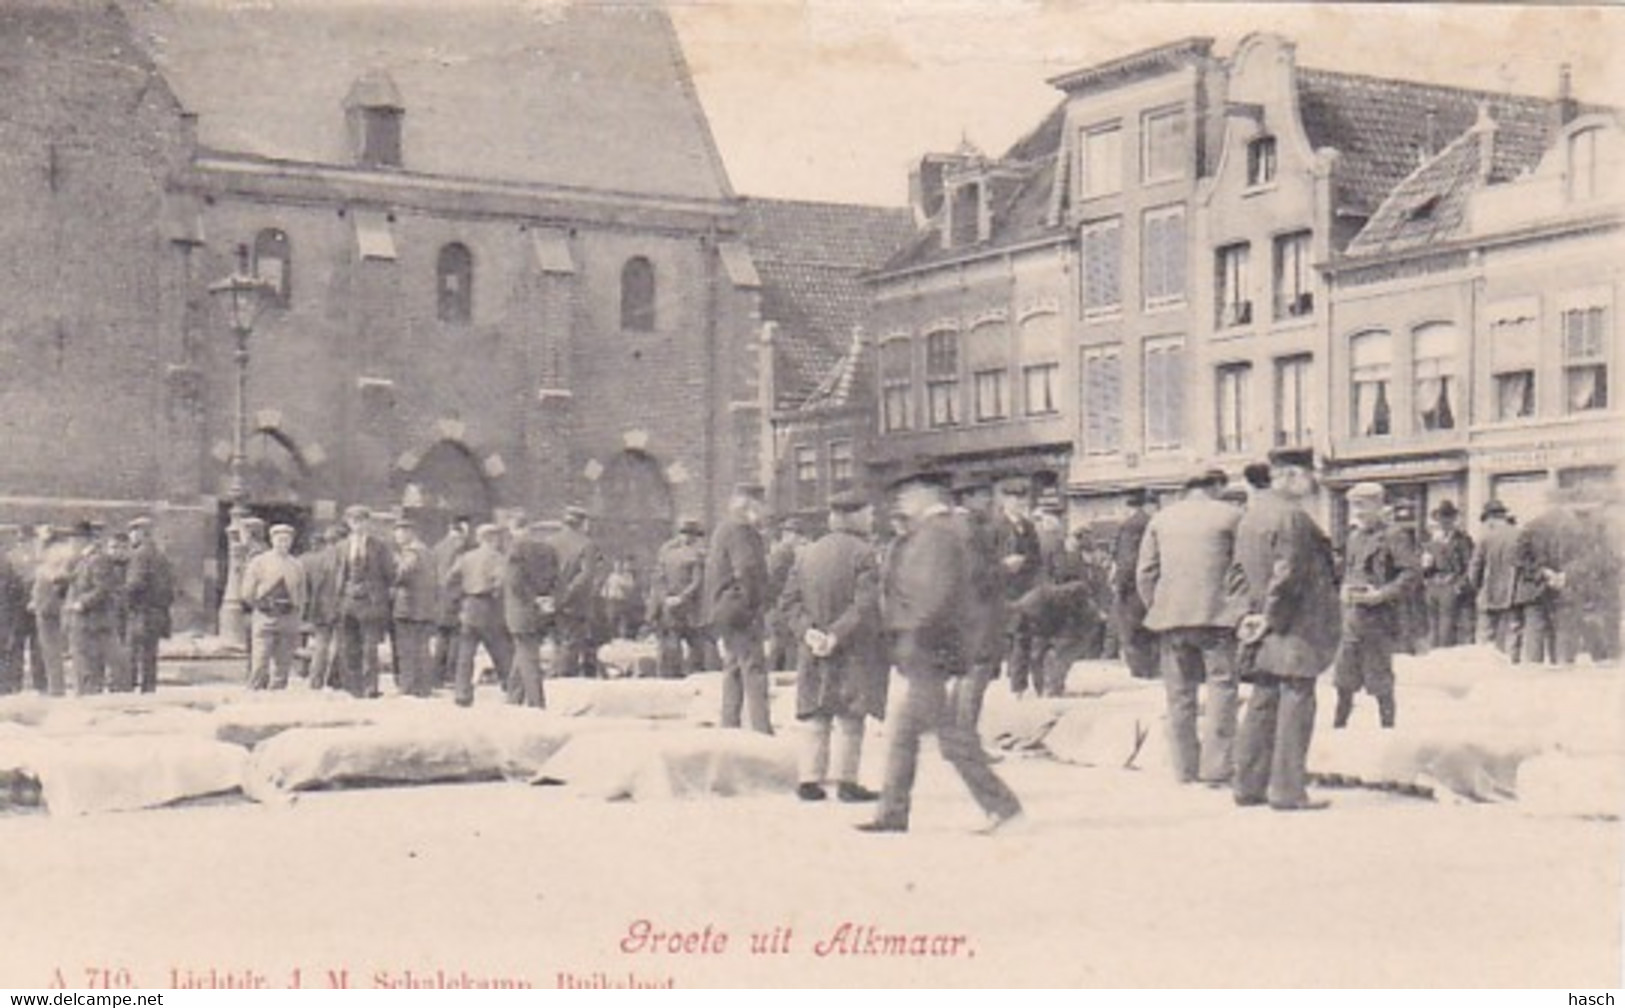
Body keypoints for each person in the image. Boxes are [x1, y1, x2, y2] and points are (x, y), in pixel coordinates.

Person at [857, 469, 1022, 835]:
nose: (901, 500)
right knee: (913, 734)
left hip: (928, 649)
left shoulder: (937, 534)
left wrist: (911, 636)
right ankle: (893, 813)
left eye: (907, 493)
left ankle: (1002, 805)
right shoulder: (935, 532)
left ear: (927, 494)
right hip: (926, 649)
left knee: (949, 738)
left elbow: (934, 597)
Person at [1230, 448, 1341, 811]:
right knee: (1296, 703)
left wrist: (1250, 615)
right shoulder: (1292, 517)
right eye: (1311, 475)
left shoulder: (1251, 516)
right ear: (1292, 475)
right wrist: (1272, 616)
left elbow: (1238, 574)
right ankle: (1288, 790)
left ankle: (1248, 785)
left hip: (1264, 627)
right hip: (1295, 627)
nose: (1314, 482)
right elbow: (1288, 573)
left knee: (1262, 702)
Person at [1137, 468, 1242, 784]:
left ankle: (1184, 769)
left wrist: (1158, 607)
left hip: (1172, 620)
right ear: (1217, 485)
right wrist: (1240, 610)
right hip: (1218, 618)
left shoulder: (1161, 519)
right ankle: (1217, 767)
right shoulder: (1233, 515)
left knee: (1179, 694)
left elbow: (1145, 572)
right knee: (1222, 690)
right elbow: (1244, 568)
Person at [779, 490, 885, 803]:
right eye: (868, 513)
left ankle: (809, 780)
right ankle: (847, 783)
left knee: (816, 712)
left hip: (812, 647)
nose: (871, 519)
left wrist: (809, 632)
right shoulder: (865, 553)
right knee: (851, 716)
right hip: (852, 647)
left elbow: (788, 601)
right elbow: (865, 605)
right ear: (854, 516)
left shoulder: (807, 553)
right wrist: (836, 635)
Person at [1336, 482, 1420, 729]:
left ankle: (1387, 731)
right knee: (1343, 679)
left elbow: (1411, 574)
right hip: (1352, 618)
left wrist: (1382, 594)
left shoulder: (1394, 535)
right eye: (1354, 506)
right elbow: (1350, 571)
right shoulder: (1354, 536)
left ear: (1378, 505)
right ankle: (1338, 730)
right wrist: (1344, 589)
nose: (1358, 512)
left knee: (1380, 680)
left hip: (1379, 620)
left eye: (1362, 506)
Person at [705, 483, 773, 734]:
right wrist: (753, 604)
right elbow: (747, 569)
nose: (765, 511)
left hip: (724, 608)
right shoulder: (742, 531)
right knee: (754, 669)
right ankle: (761, 730)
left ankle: (729, 725)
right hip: (741, 610)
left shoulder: (722, 529)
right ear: (750, 506)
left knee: (733, 668)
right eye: (762, 505)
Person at [948, 473, 1005, 729]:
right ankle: (965, 739)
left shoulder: (955, 525)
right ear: (967, 497)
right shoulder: (968, 529)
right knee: (975, 674)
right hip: (976, 614)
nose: (989, 501)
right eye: (984, 495)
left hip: (962, 613)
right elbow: (975, 575)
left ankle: (956, 734)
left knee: (966, 676)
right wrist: (1004, 568)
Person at [444, 524, 514, 707]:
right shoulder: (498, 559)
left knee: (465, 653)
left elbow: (450, 579)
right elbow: (501, 582)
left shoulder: (466, 557)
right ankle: (511, 687)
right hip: (489, 606)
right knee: (501, 651)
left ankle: (462, 693)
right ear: (492, 539)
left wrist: (459, 598)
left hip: (468, 607)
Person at [334, 506, 396, 697]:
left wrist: (382, 600)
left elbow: (389, 575)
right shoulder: (341, 546)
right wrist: (339, 599)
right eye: (354, 521)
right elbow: (339, 574)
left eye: (361, 520)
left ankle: (371, 687)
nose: (358, 524)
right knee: (350, 645)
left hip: (371, 602)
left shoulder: (379, 546)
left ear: (368, 522)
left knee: (370, 647)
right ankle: (353, 686)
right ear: (348, 523)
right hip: (348, 600)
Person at [992, 475, 1044, 698]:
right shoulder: (994, 526)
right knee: (1006, 637)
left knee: (1022, 636)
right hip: (1001, 589)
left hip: (1024, 589)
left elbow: (1037, 557)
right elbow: (985, 558)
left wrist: (1026, 564)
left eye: (1021, 499)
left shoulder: (1029, 527)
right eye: (1013, 499)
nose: (1018, 503)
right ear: (1004, 501)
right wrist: (1003, 564)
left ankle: (1018, 686)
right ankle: (1006, 679)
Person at [240, 524, 308, 691]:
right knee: (260, 657)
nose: (283, 543)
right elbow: (247, 591)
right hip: (265, 615)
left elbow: (302, 592)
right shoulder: (260, 562)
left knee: (284, 658)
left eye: (287, 540)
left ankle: (278, 690)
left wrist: (297, 612)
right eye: (279, 539)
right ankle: (255, 689)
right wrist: (259, 606)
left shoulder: (296, 565)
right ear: (272, 540)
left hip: (288, 617)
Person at [505, 519, 560, 707]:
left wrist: (533, 598)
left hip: (521, 610)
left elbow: (514, 583)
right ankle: (513, 699)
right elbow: (555, 578)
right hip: (542, 611)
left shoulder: (516, 550)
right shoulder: (548, 550)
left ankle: (537, 703)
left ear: (516, 530)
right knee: (523, 654)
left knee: (528, 657)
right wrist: (545, 598)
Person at [64, 521, 120, 695]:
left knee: (89, 665)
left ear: (83, 540)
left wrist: (82, 603)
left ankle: (90, 700)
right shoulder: (83, 560)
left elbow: (102, 588)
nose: (71, 543)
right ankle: (85, 696)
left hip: (91, 622)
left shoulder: (98, 559)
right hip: (82, 622)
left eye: (74, 539)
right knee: (82, 665)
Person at [549, 506, 604, 678]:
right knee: (571, 642)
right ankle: (563, 679)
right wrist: (568, 594)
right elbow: (587, 575)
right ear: (582, 523)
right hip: (576, 602)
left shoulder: (550, 542)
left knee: (556, 641)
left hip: (550, 600)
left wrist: (549, 595)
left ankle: (554, 674)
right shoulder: (587, 544)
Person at [649, 518, 708, 678]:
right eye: (687, 534)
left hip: (678, 605)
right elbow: (697, 581)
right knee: (689, 644)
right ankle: (687, 675)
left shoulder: (669, 553)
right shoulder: (696, 555)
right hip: (685, 606)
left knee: (680, 642)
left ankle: (676, 675)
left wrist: (671, 598)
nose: (688, 537)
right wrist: (675, 598)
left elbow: (659, 580)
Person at [124, 517, 174, 694]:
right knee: (150, 655)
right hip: (158, 612)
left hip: (140, 612)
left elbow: (135, 584)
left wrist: (124, 600)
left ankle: (128, 689)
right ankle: (148, 689)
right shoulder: (161, 556)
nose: (131, 537)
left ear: (140, 533)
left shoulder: (139, 555)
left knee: (132, 652)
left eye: (133, 532)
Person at [1111, 488, 1158, 679]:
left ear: (1127, 505)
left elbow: (1127, 560)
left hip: (1133, 588)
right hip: (1151, 585)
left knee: (1132, 631)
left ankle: (1141, 672)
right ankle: (1151, 669)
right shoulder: (1151, 522)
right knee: (1149, 630)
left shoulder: (1131, 526)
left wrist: (1120, 586)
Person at [1468, 500, 1524, 659]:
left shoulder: (1484, 538)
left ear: (1490, 518)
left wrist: (1476, 588)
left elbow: (1475, 569)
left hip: (1488, 594)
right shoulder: (1518, 535)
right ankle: (1511, 667)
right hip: (1513, 594)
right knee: (1512, 634)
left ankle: (1487, 669)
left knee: (1486, 636)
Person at [389, 518, 438, 697]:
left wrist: (392, 567)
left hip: (408, 607)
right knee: (422, 648)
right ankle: (424, 687)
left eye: (399, 533)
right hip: (424, 607)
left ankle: (408, 686)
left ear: (409, 533)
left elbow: (402, 574)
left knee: (406, 649)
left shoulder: (411, 552)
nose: (397, 537)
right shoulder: (426, 551)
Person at [1421, 500, 1475, 648]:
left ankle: (1444, 660)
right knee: (1432, 627)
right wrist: (1425, 570)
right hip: (1433, 586)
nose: (1444, 522)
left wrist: (1459, 585)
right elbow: (1425, 568)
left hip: (1451, 584)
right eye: (1440, 518)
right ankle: (1433, 659)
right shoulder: (1431, 542)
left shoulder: (1462, 539)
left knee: (1447, 627)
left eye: (1447, 518)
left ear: (1453, 520)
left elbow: (1469, 565)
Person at [29, 526, 74, 697]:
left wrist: (45, 603)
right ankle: (54, 686)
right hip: (45, 608)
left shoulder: (54, 559)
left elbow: (56, 585)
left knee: (52, 651)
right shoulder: (50, 560)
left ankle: (56, 688)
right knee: (48, 651)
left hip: (49, 610)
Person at [431, 516, 475, 687]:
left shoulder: (437, 547)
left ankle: (436, 675)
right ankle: (450, 675)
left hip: (440, 597)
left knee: (442, 637)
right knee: (456, 636)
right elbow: (457, 574)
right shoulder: (459, 548)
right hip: (455, 596)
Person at [302, 525, 346, 689]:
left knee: (321, 646)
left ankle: (315, 681)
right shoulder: (344, 559)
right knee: (341, 645)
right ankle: (335, 680)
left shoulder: (312, 559)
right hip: (340, 608)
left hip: (320, 608)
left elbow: (305, 587)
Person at [764, 519, 809, 672]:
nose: (801, 540)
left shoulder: (781, 552)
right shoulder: (784, 554)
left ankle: (775, 675)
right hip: (779, 606)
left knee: (781, 646)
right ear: (788, 535)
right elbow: (777, 583)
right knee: (784, 645)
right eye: (798, 535)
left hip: (777, 606)